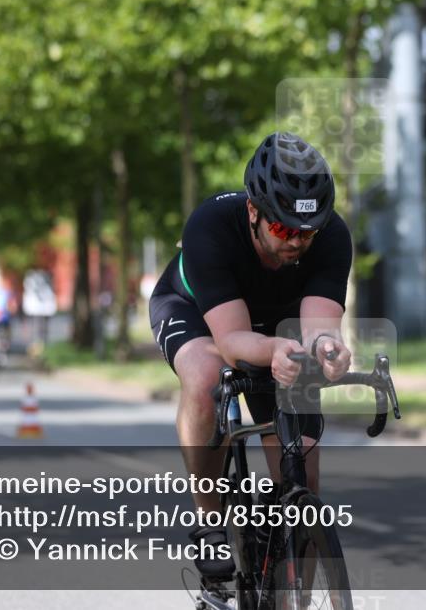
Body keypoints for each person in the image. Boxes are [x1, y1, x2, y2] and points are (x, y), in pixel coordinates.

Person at [149, 132, 353, 581]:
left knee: (304, 485)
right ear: (254, 212)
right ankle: (209, 520)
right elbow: (233, 341)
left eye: (307, 232)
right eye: (283, 229)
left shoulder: (332, 235)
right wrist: (275, 349)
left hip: (278, 327)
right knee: (209, 375)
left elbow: (319, 327)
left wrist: (328, 349)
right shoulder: (211, 226)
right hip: (198, 314)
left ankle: (292, 595)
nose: (297, 242)